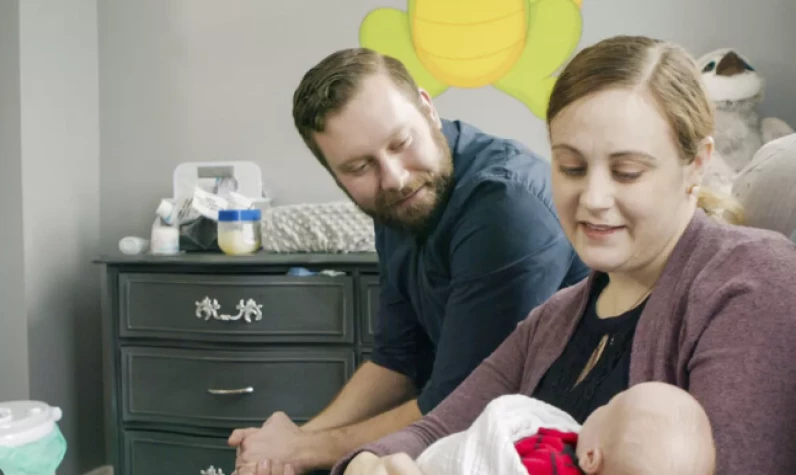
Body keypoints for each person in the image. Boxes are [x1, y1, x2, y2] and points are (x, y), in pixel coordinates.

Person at [334, 35, 796, 475]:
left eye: (627, 172)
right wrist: (367, 462)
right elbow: (433, 430)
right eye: (572, 167)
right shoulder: (553, 321)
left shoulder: (752, 281)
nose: (592, 198)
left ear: (696, 164)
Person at [228, 48, 589, 474]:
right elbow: (397, 358)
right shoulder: (399, 202)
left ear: (427, 109)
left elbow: (458, 405)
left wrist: (302, 450)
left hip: (551, 442)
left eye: (401, 143)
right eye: (359, 166)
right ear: (335, 174)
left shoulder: (505, 207)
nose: (394, 177)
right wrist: (290, 443)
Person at [412, 381, 715, 475]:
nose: (600, 407)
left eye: (609, 407)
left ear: (591, 458)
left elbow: (494, 457)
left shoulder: (550, 464)